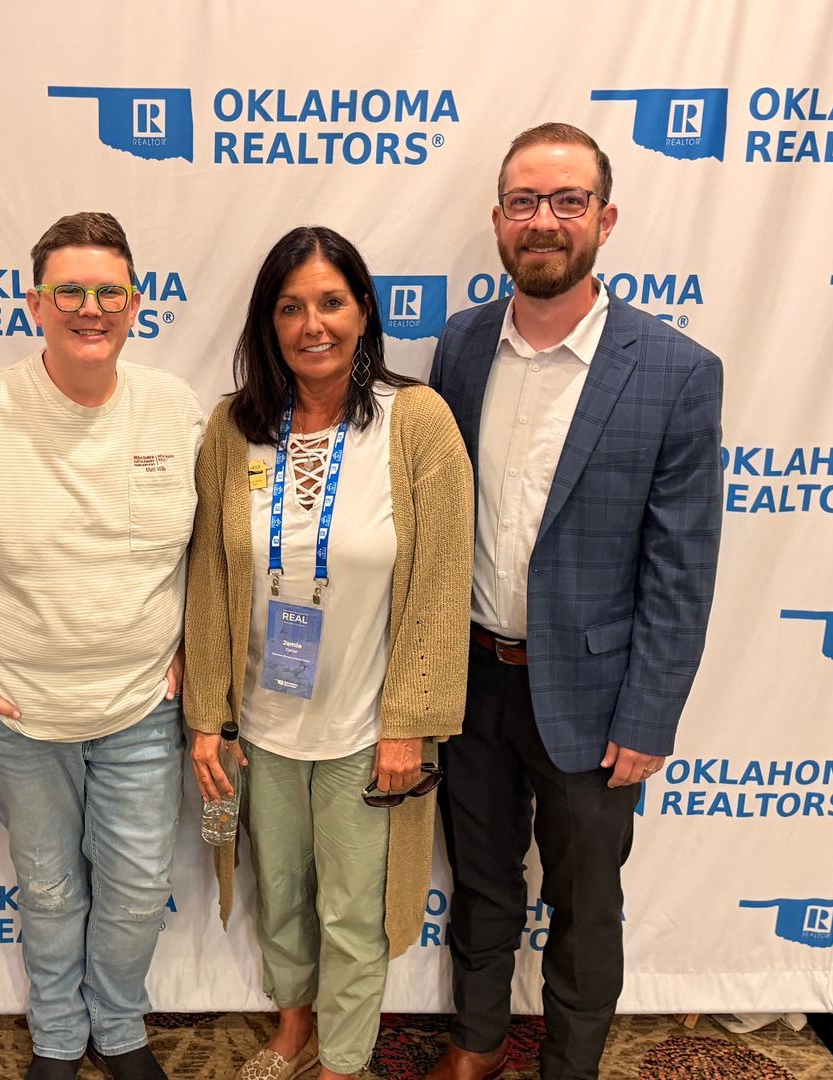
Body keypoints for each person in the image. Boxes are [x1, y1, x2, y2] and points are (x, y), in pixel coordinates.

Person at [424, 124, 724, 1080]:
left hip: (598, 704)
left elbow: (682, 566)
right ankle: (476, 1043)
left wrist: (649, 716)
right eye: (524, 202)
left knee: (586, 904)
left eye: (566, 201)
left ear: (605, 218)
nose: (544, 221)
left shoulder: (676, 372)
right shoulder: (461, 345)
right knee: (480, 881)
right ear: (498, 220)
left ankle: (570, 1064)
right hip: (474, 678)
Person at [0, 212, 205, 1080]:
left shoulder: (176, 411)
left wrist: (197, 652)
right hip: (16, 709)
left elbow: (206, 554)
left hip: (142, 706)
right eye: (68, 291)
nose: (89, 308)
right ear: (35, 304)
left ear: (136, 303)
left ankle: (120, 1027)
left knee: (138, 885)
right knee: (48, 886)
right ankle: (61, 1037)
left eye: (109, 292)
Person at [185, 226, 474, 1080]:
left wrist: (409, 725)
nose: (312, 324)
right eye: (290, 307)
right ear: (267, 322)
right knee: (282, 895)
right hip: (260, 725)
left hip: (365, 727)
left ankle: (345, 1061)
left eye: (331, 302)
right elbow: (208, 578)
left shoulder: (416, 423)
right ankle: (294, 1028)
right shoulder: (232, 429)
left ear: (363, 312)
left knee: (354, 910)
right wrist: (208, 716)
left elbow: (440, 583)